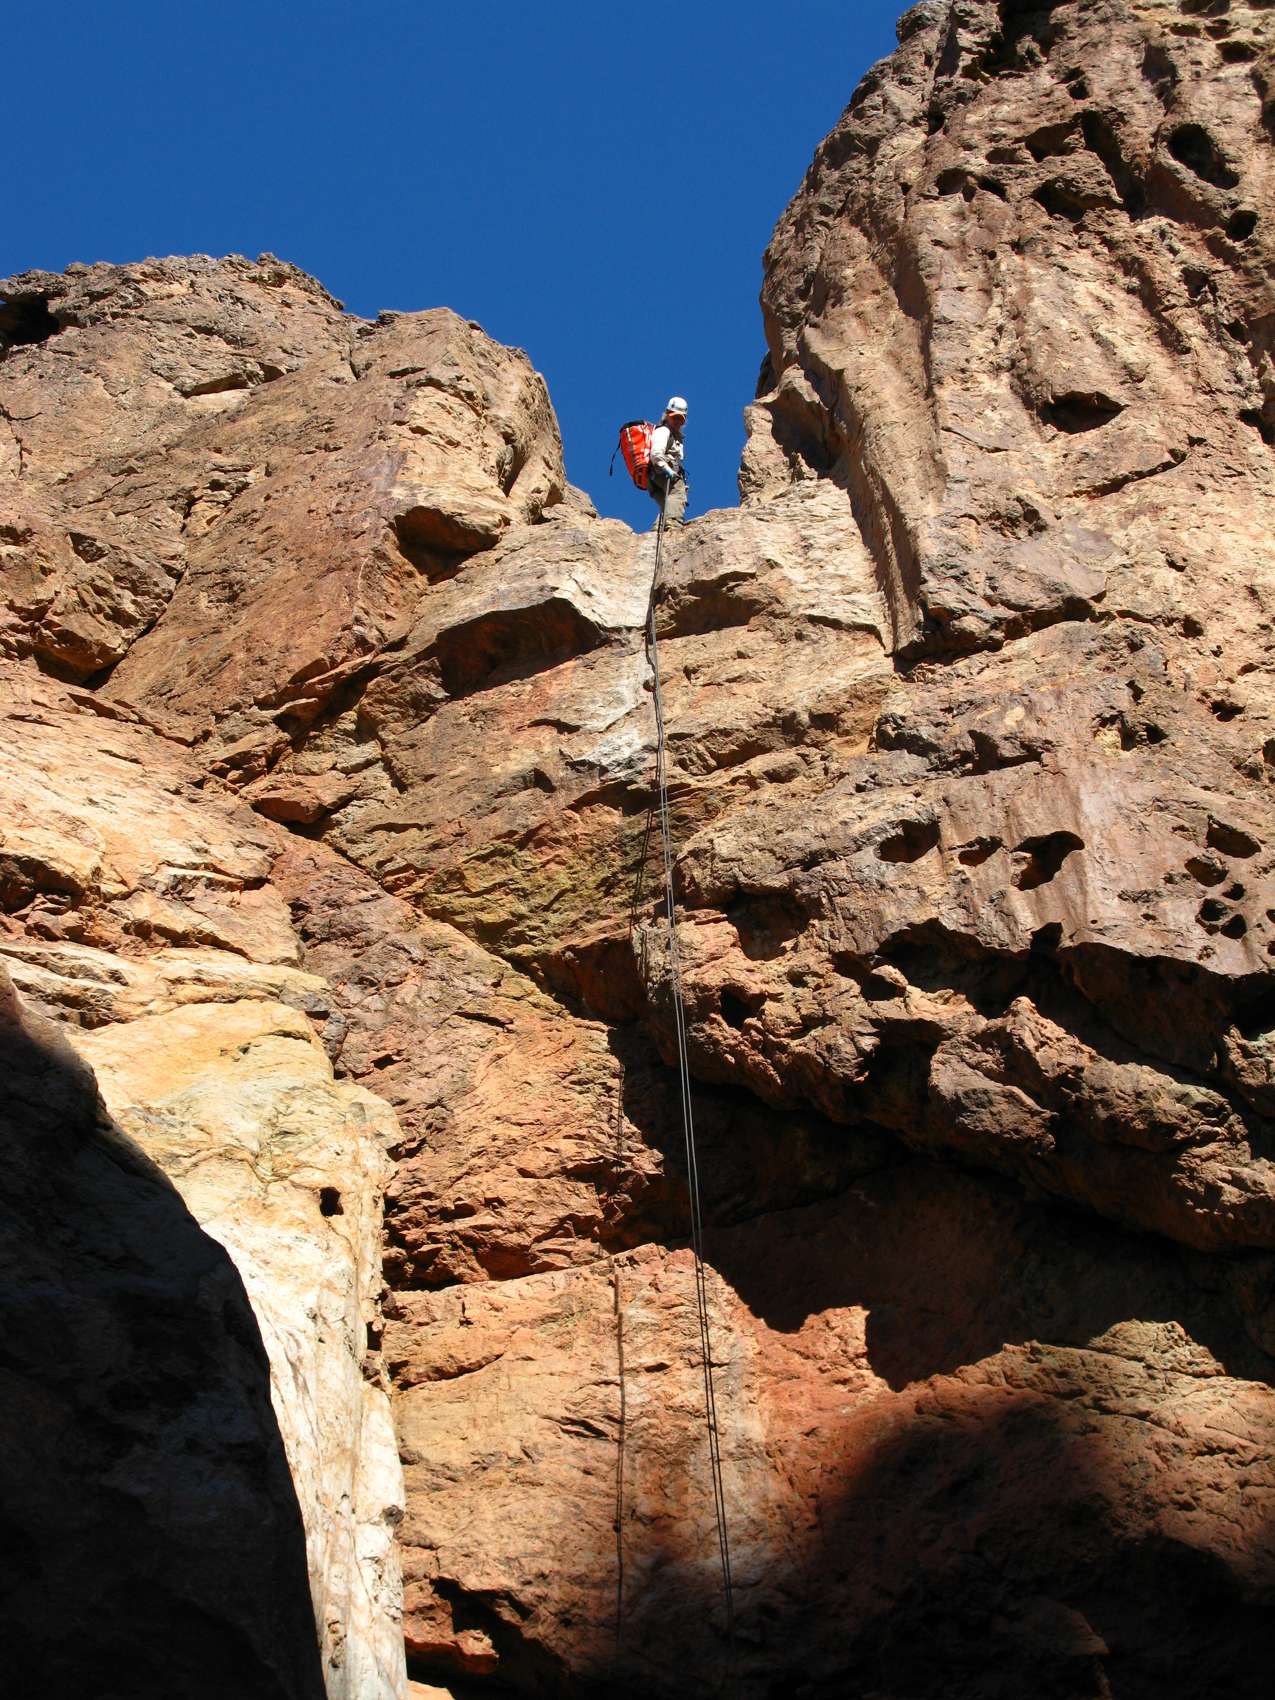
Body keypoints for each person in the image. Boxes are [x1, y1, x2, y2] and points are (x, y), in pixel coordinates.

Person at [648, 397, 688, 526]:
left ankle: (659, 527)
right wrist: (668, 470)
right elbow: (656, 454)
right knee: (678, 492)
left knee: (668, 504)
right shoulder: (663, 431)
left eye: (680, 419)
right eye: (674, 417)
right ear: (667, 415)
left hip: (654, 478)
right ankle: (673, 523)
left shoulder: (675, 437)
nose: (677, 421)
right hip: (662, 472)